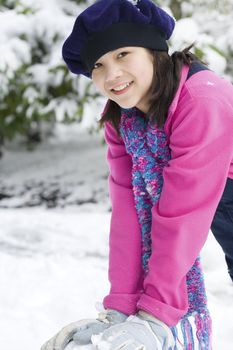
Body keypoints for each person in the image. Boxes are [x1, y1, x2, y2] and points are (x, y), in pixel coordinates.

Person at [41, 0, 233, 349]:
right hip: (216, 200)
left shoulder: (201, 101)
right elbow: (128, 214)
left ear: (154, 52)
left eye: (123, 54)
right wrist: (121, 309)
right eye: (98, 64)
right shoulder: (123, 121)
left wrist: (156, 315)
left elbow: (181, 215)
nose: (111, 74)